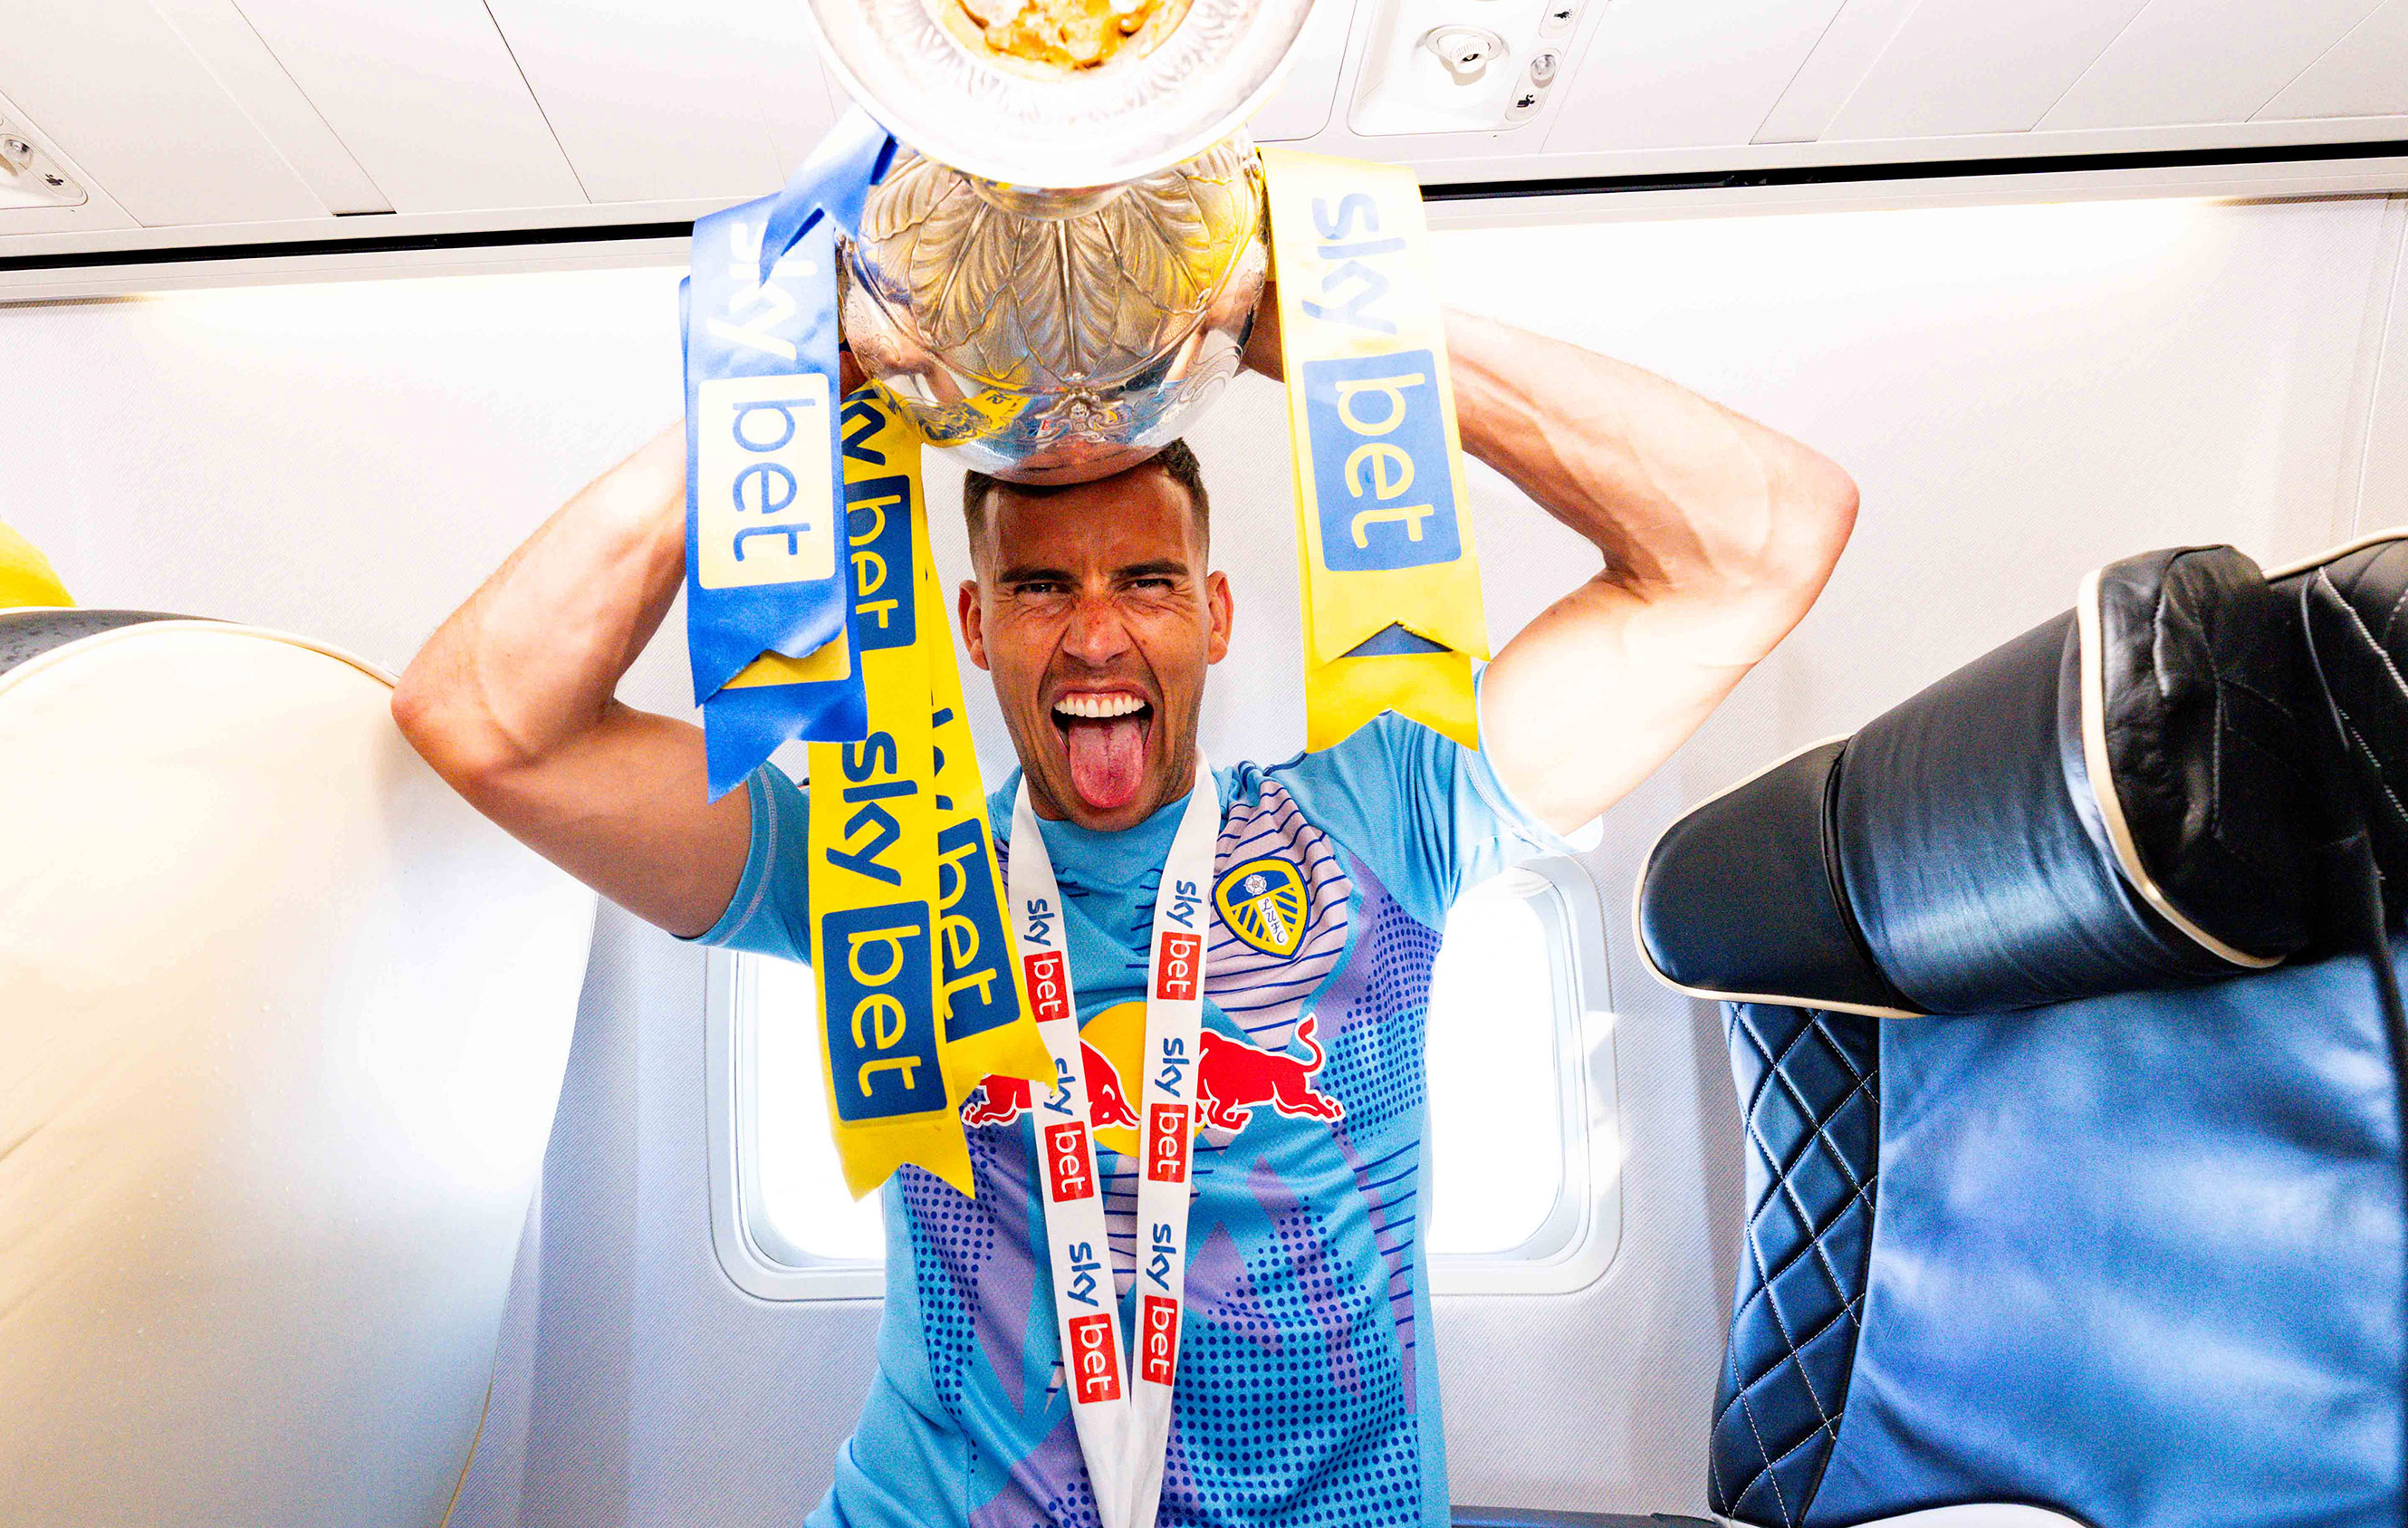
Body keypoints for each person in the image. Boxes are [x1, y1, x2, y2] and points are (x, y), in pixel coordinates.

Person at [392, 293, 1858, 1527]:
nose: (1096, 633)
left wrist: (1321, 322)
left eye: (1145, 580)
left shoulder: (1383, 818)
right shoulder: (879, 865)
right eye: (1041, 590)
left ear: (1212, 616)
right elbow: (484, 720)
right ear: (975, 628)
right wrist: (790, 389)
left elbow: (1767, 540)